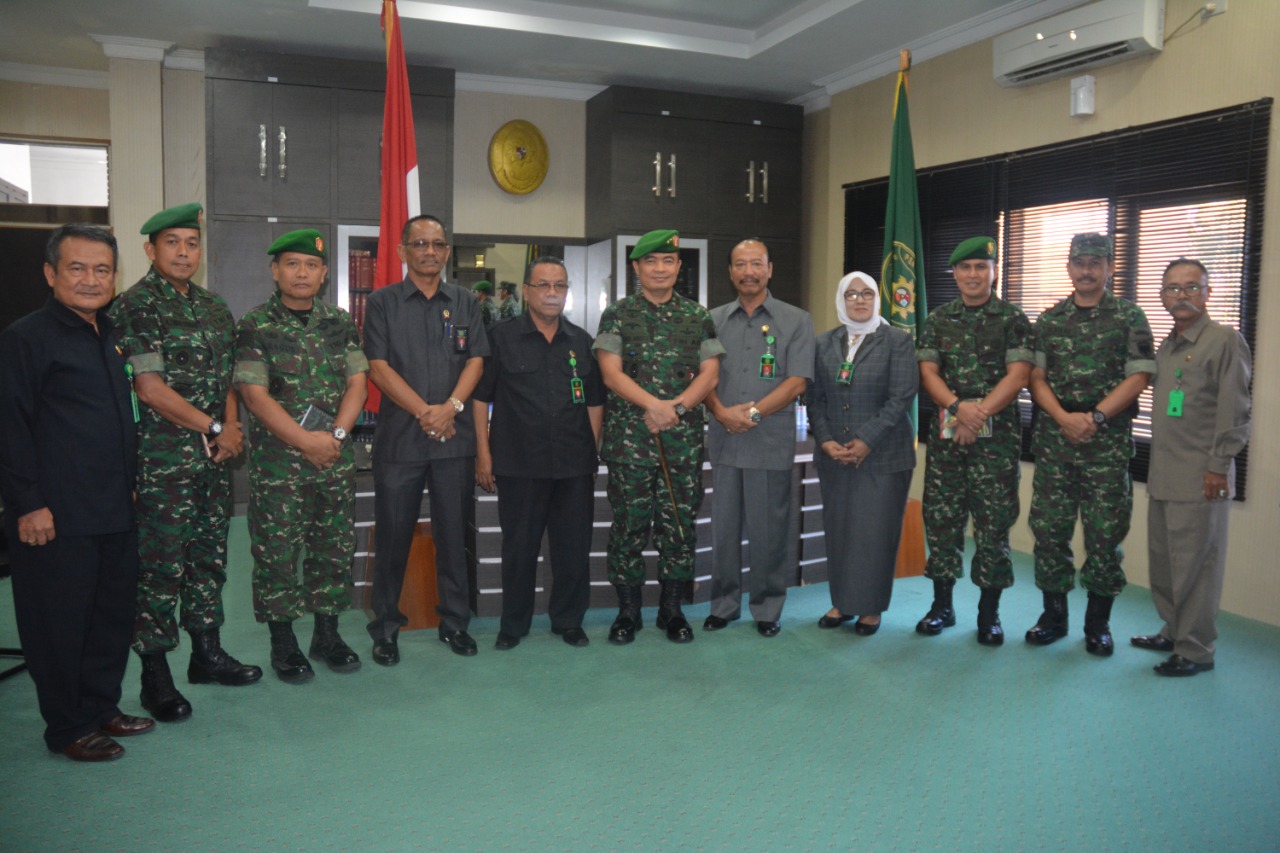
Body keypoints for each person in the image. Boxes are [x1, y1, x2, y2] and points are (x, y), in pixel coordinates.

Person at [0, 224, 154, 761]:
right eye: (77, 268)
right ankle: (68, 727)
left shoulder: (111, 334)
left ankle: (100, 706)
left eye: (102, 269)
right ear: (50, 273)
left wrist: (129, 486)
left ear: (115, 276)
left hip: (114, 505)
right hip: (54, 513)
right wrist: (27, 504)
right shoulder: (26, 338)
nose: (91, 279)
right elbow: (10, 427)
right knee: (59, 623)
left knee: (109, 615)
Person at [109, 202, 261, 724]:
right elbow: (150, 389)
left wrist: (231, 426)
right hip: (162, 464)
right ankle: (155, 675)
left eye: (191, 243)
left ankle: (206, 654)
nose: (183, 252)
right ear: (150, 250)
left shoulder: (214, 306)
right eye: (171, 243)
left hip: (212, 461)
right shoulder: (135, 305)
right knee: (161, 568)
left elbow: (230, 381)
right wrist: (216, 428)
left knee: (208, 558)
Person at [234, 229, 369, 682]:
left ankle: (327, 635)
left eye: (311, 265)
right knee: (277, 552)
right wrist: (306, 441)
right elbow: (254, 396)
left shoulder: (340, 322)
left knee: (333, 547)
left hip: (334, 458)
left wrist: (335, 436)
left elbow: (357, 384)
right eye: (292, 264)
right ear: (275, 271)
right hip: (280, 466)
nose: (302, 273)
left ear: (324, 273)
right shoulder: (255, 325)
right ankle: (284, 643)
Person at [363, 214, 489, 661]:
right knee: (393, 538)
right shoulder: (382, 303)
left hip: (454, 442)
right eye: (420, 244)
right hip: (401, 442)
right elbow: (378, 368)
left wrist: (450, 408)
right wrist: (426, 413)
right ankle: (385, 627)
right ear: (402, 251)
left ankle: (454, 623)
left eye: (437, 244)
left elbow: (476, 360)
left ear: (447, 252)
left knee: (454, 537)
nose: (429, 251)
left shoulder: (466, 302)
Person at [593, 228, 725, 644]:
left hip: (681, 445)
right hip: (630, 444)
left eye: (668, 261)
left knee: (679, 529)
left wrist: (676, 410)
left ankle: (672, 611)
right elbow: (610, 373)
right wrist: (655, 406)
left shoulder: (698, 316)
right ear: (637, 268)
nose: (660, 269)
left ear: (678, 267)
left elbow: (710, 374)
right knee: (628, 528)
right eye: (651, 261)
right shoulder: (617, 315)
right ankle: (628, 613)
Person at [1026, 233, 1155, 655]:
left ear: (1109, 268)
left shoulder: (1130, 316)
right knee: (1049, 531)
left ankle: (1097, 624)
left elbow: (1140, 375)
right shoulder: (1049, 320)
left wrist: (1096, 417)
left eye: (1095, 263)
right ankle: (1053, 617)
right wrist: (1064, 418)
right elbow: (1035, 378)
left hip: (1106, 443)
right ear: (1069, 268)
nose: (1086, 271)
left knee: (1104, 534)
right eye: (1079, 263)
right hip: (1056, 440)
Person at [473, 257, 604, 650]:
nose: (552, 293)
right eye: (543, 285)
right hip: (519, 464)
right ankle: (513, 625)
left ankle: (568, 621)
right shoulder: (500, 338)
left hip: (573, 465)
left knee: (573, 549)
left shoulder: (582, 341)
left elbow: (594, 403)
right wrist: (483, 454)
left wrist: (591, 452)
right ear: (527, 291)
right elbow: (480, 399)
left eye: (559, 286)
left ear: (567, 292)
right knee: (519, 550)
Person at [915, 236, 1033, 645]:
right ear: (954, 273)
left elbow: (1018, 376)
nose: (973, 274)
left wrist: (975, 413)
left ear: (994, 271)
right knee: (942, 519)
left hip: (996, 435)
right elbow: (928, 372)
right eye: (965, 267)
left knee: (993, 524)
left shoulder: (1013, 319)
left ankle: (989, 614)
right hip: (949, 430)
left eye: (981, 266)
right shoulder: (938, 319)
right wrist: (956, 408)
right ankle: (942, 607)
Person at [1137, 258, 1251, 677]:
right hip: (1164, 472)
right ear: (1162, 296)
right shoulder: (1168, 345)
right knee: (1166, 562)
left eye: (1191, 287)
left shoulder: (1224, 340)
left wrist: (1219, 465)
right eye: (1172, 288)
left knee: (1198, 567)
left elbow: (1235, 409)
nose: (1181, 295)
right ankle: (1173, 631)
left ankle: (1197, 649)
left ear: (1207, 292)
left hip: (1203, 475)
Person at [703, 238, 814, 637]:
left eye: (756, 264)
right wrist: (720, 412)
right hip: (724, 440)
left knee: (769, 531)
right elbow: (702, 378)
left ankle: (767, 607)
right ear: (730, 272)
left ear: (769, 269)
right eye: (740, 264)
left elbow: (797, 380)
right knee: (724, 531)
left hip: (768, 441)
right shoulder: (711, 320)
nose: (748, 272)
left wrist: (751, 414)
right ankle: (724, 605)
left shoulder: (796, 320)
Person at [807, 272, 918, 635]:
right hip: (835, 455)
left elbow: (901, 397)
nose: (859, 300)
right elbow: (815, 399)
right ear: (841, 300)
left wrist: (866, 440)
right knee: (840, 530)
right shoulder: (824, 343)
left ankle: (870, 607)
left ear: (877, 299)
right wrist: (825, 441)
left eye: (867, 293)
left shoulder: (897, 341)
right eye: (851, 294)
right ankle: (842, 602)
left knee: (874, 532)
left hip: (884, 454)